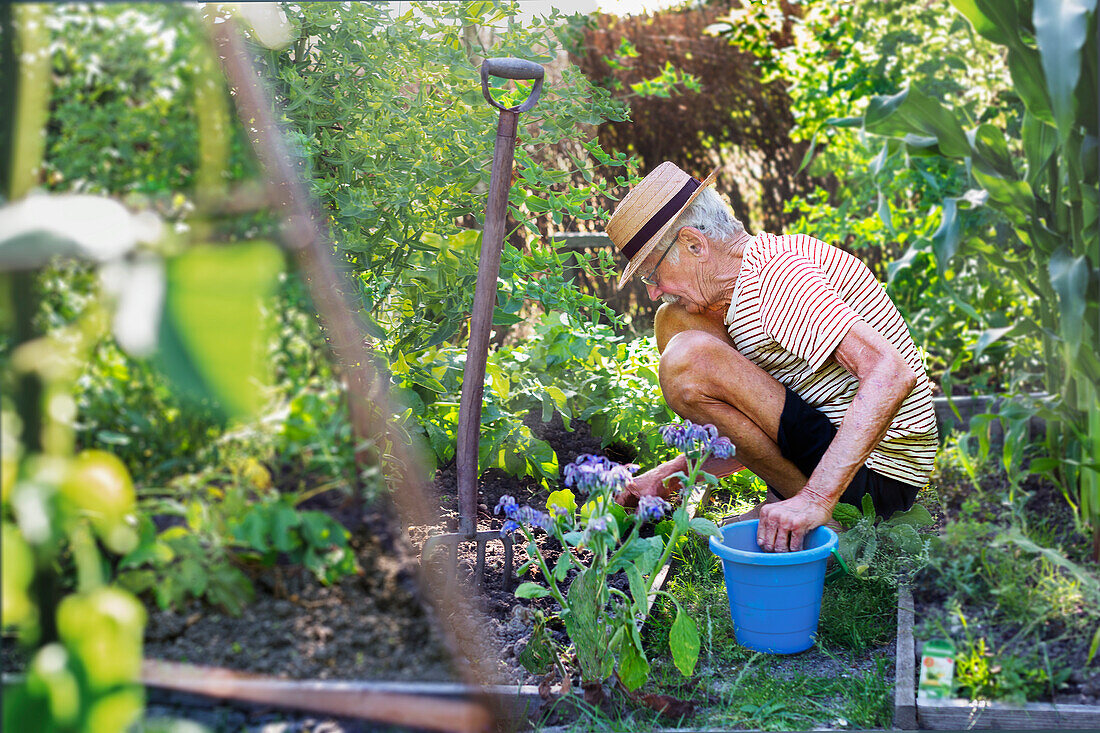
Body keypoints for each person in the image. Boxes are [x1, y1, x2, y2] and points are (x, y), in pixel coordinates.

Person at [605, 162, 937, 553]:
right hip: (839, 447)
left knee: (688, 359)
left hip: (879, 478)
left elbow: (890, 372)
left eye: (651, 274)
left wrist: (817, 499)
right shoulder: (748, 280)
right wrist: (668, 476)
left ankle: (829, 521)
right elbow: (752, 427)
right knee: (675, 322)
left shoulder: (775, 280)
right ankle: (795, 502)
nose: (654, 291)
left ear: (695, 244)